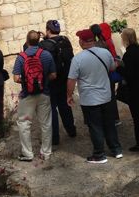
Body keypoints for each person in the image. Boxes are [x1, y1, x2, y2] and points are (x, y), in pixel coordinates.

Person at [67, 28, 123, 164]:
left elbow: (71, 80)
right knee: (109, 123)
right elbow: (112, 68)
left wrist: (69, 95)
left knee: (95, 126)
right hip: (106, 95)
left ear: (81, 41)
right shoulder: (105, 53)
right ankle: (116, 150)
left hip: (89, 99)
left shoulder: (77, 59)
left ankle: (99, 154)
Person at [12, 30, 56, 162]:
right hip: (44, 93)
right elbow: (54, 75)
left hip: (27, 95)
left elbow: (15, 78)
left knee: (24, 123)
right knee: (46, 124)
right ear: (39, 41)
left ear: (27, 40)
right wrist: (43, 81)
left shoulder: (21, 57)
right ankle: (46, 153)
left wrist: (28, 82)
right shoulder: (47, 55)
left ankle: (27, 154)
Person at [39, 20, 77, 145]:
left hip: (51, 80)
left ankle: (55, 138)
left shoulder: (43, 44)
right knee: (65, 106)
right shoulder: (65, 40)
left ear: (48, 30)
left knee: (52, 109)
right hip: (65, 78)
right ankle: (71, 131)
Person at [118, 28, 139, 151]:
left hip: (134, 87)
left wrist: (118, 67)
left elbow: (128, 73)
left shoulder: (130, 53)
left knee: (137, 116)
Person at [90, 22, 120, 126]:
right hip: (110, 71)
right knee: (111, 95)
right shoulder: (107, 41)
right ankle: (115, 118)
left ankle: (109, 118)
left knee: (105, 96)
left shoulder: (96, 45)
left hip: (103, 74)